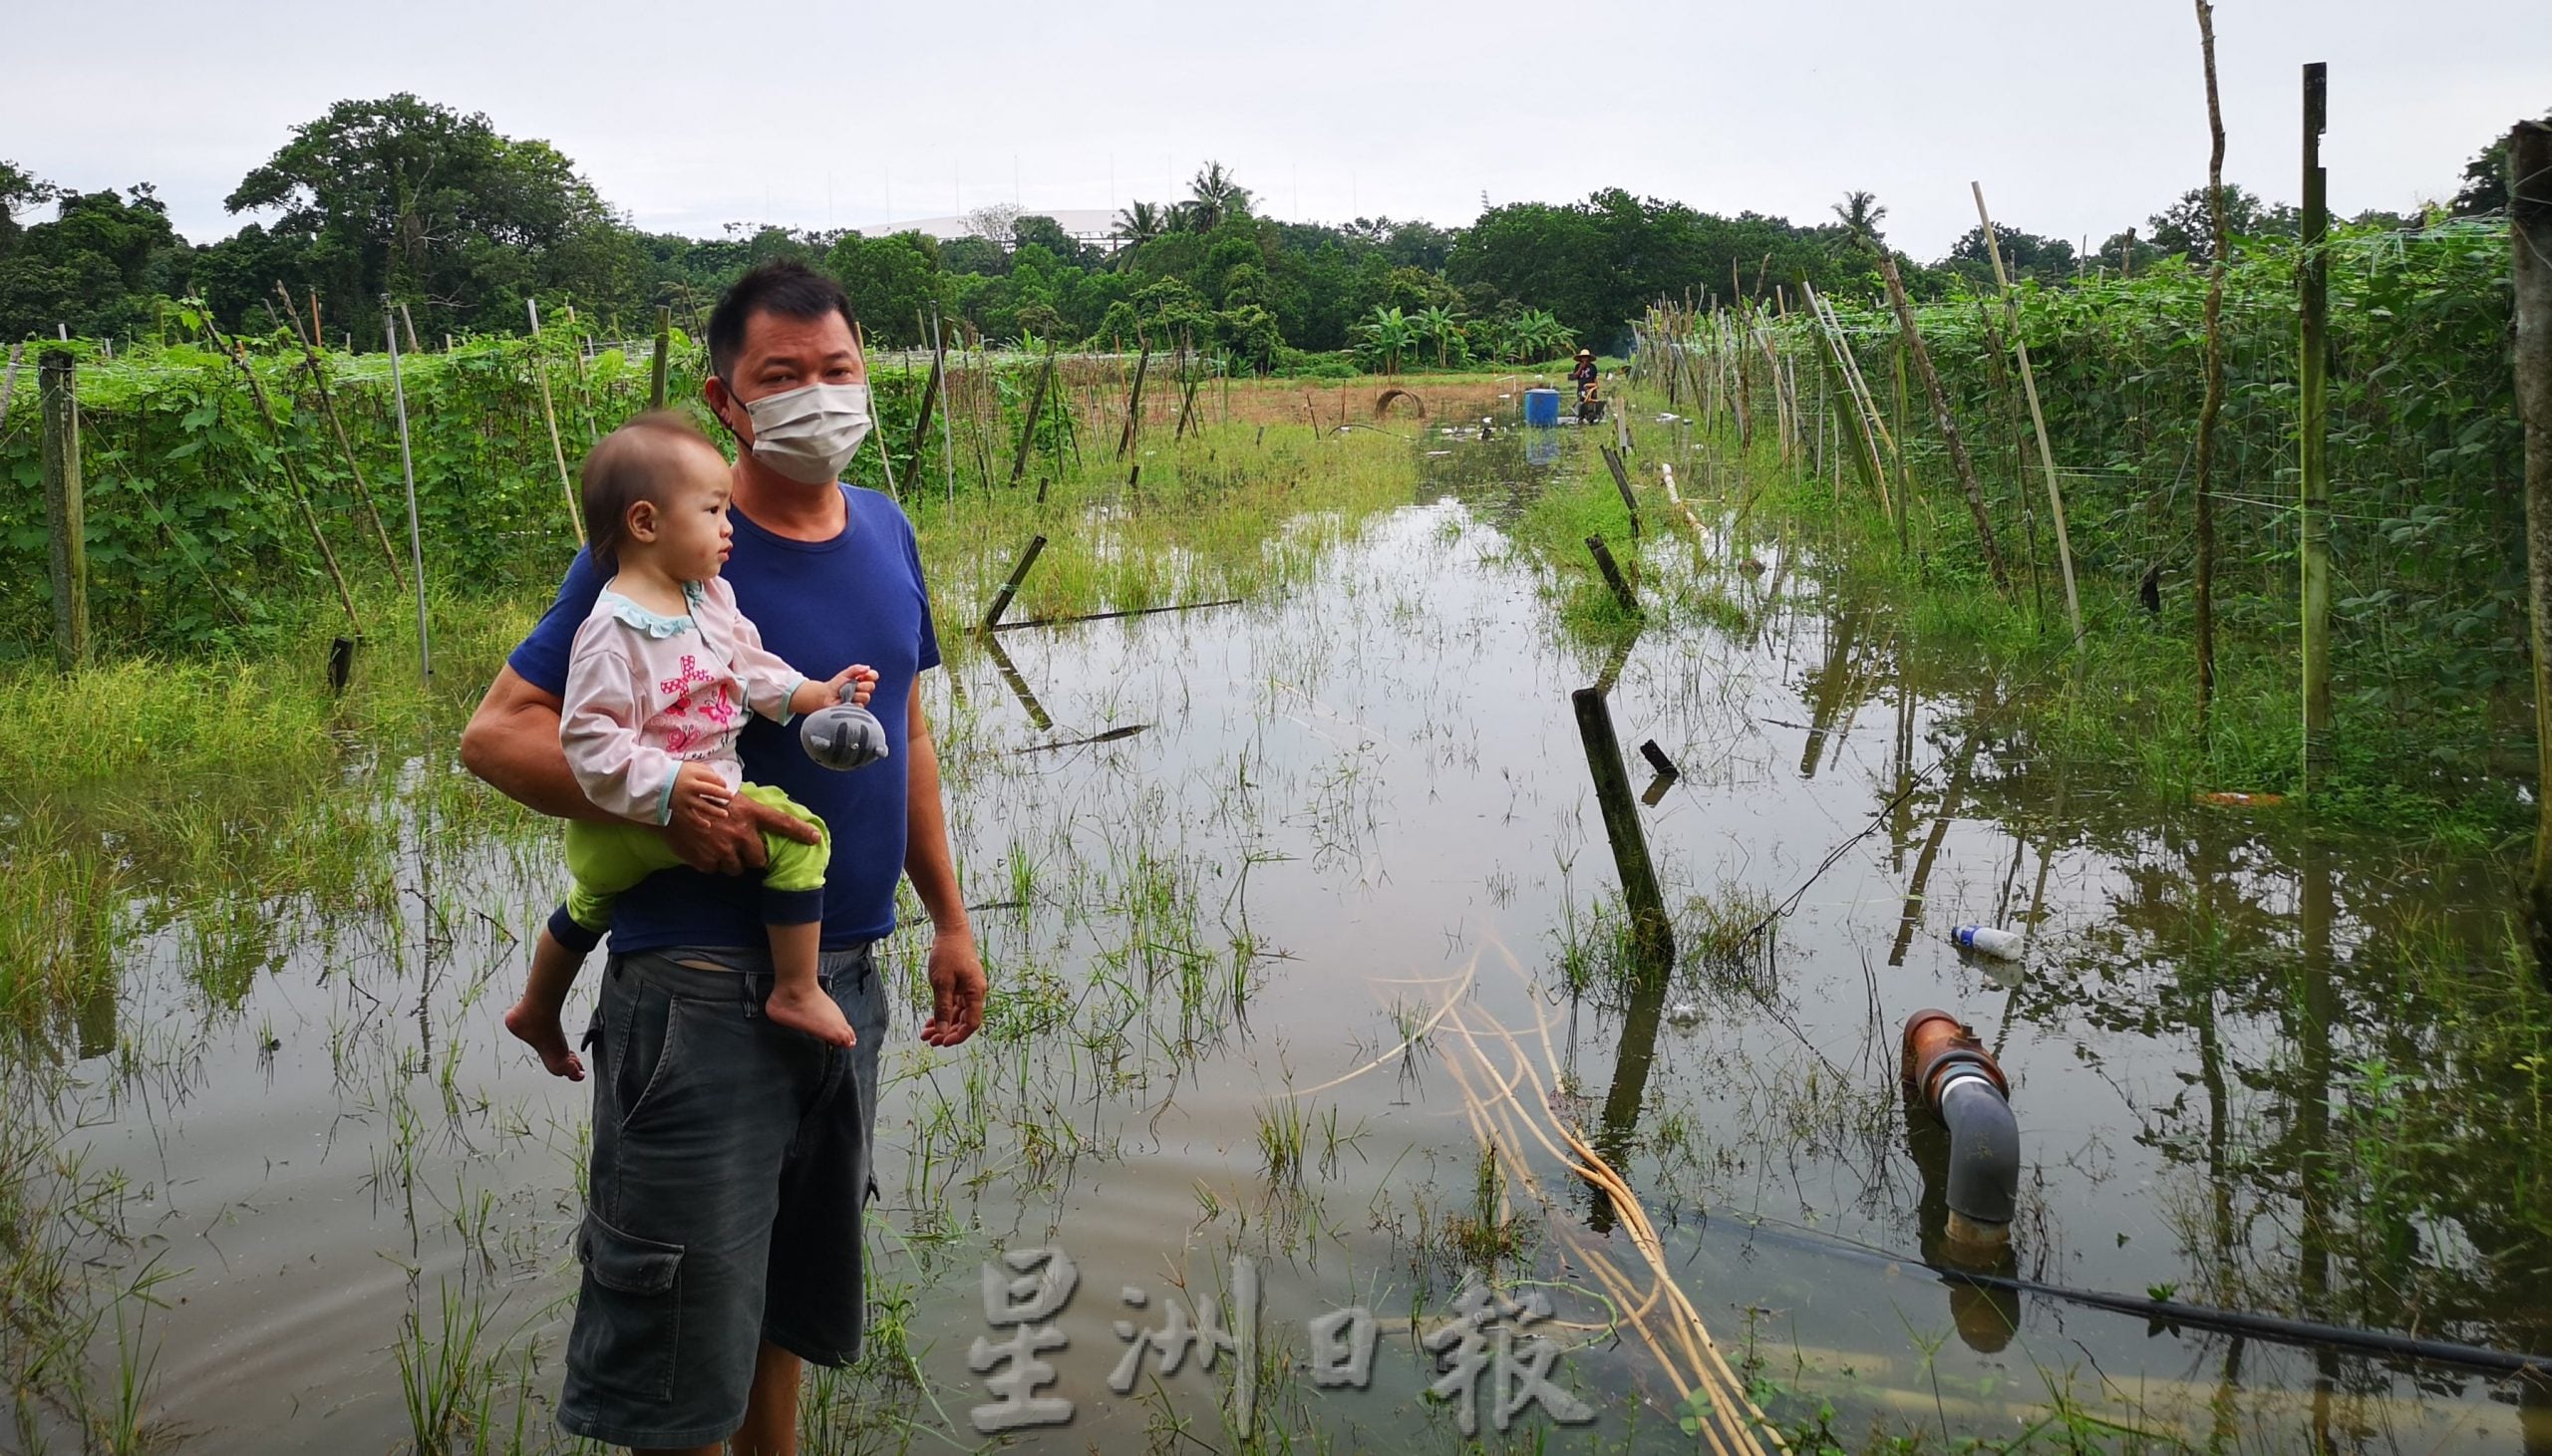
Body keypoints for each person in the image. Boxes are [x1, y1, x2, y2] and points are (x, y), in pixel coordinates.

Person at [461, 260, 985, 1456]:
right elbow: (497, 736)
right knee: (681, 1334)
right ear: (727, 399)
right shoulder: (663, 551)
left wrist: (945, 917)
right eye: (782, 377)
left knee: (788, 1300)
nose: (818, 395)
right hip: (696, 987)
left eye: (837, 370)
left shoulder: (890, 530)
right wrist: (663, 813)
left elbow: (902, 731)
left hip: (847, 972)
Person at [502, 412, 880, 1080]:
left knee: (591, 902)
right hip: (658, 806)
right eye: (712, 510)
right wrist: (669, 784)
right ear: (646, 523)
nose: (728, 527)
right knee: (804, 838)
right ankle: (795, 987)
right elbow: (587, 739)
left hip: (619, 839)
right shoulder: (612, 629)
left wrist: (813, 694)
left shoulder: (707, 598)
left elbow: (751, 667)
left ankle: (537, 1005)